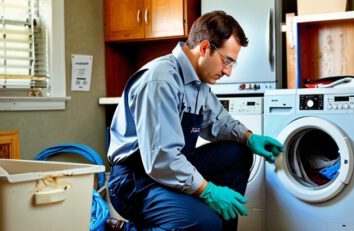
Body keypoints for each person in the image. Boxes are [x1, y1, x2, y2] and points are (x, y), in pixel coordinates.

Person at [107, 10, 283, 231]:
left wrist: (250, 138)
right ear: (204, 48)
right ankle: (128, 229)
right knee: (203, 221)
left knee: (237, 153)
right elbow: (162, 158)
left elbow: (218, 122)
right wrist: (208, 191)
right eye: (227, 60)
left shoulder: (198, 83)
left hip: (168, 168)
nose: (228, 71)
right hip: (134, 181)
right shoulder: (161, 80)